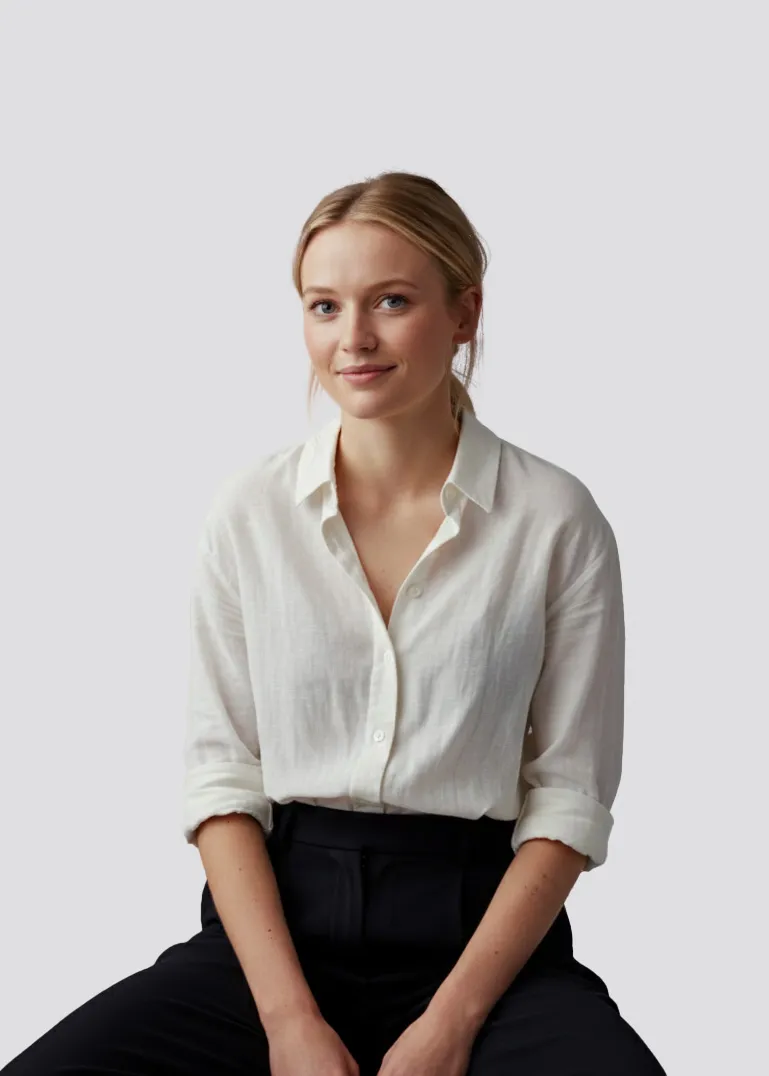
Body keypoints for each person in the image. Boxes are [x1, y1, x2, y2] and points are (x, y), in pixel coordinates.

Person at [2, 171, 667, 1075]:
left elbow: (569, 797)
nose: (352, 337)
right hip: (276, 938)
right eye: (324, 306)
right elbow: (222, 777)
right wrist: (287, 1023)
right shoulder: (250, 513)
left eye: (391, 301)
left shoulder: (554, 519)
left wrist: (450, 1024)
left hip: (483, 941)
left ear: (464, 313)